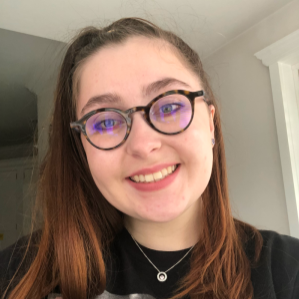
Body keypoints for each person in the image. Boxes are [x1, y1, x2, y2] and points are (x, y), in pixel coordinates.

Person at [0, 17, 299, 299]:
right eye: (105, 122)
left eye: (169, 107)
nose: (143, 144)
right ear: (82, 147)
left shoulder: (289, 269)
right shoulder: (19, 273)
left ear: (210, 123)